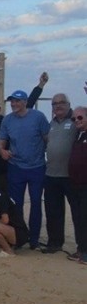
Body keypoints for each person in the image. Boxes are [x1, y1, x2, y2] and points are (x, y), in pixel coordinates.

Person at [0, 89, 50, 249]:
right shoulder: (7, 120)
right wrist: (2, 151)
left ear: (25, 102)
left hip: (37, 167)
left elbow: (48, 139)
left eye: (17, 101)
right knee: (15, 205)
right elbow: (1, 143)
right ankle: (19, 238)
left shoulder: (38, 117)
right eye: (12, 101)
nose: (14, 104)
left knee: (36, 203)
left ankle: (34, 240)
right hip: (16, 167)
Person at [42, 92, 77, 254]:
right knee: (53, 212)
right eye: (55, 103)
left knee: (78, 213)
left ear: (69, 104)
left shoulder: (76, 120)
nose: (58, 105)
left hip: (71, 176)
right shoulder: (51, 124)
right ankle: (54, 243)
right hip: (51, 175)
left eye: (62, 102)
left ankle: (82, 247)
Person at [68, 106, 87, 264]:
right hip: (76, 185)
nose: (76, 121)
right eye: (74, 119)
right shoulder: (78, 135)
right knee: (78, 218)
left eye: (80, 117)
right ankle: (81, 249)